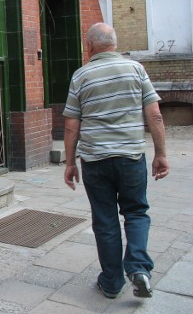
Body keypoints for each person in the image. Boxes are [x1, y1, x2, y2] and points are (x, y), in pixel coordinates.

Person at [63, 22, 170, 299]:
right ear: (115, 44)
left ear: (89, 46)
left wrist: (70, 162)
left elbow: (71, 125)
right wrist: (161, 153)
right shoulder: (136, 69)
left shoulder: (81, 76)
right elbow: (155, 115)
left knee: (105, 219)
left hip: (95, 160)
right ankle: (139, 269)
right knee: (135, 213)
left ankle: (111, 282)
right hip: (131, 157)